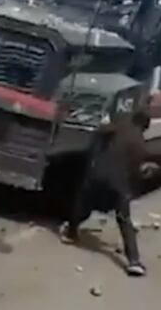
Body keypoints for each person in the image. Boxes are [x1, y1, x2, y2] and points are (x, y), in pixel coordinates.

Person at [59, 109, 151, 277]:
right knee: (124, 220)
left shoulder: (117, 127)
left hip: (97, 175)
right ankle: (134, 261)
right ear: (145, 126)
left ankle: (71, 232)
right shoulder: (140, 142)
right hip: (119, 184)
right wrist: (130, 190)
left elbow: (99, 134)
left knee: (85, 204)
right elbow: (135, 172)